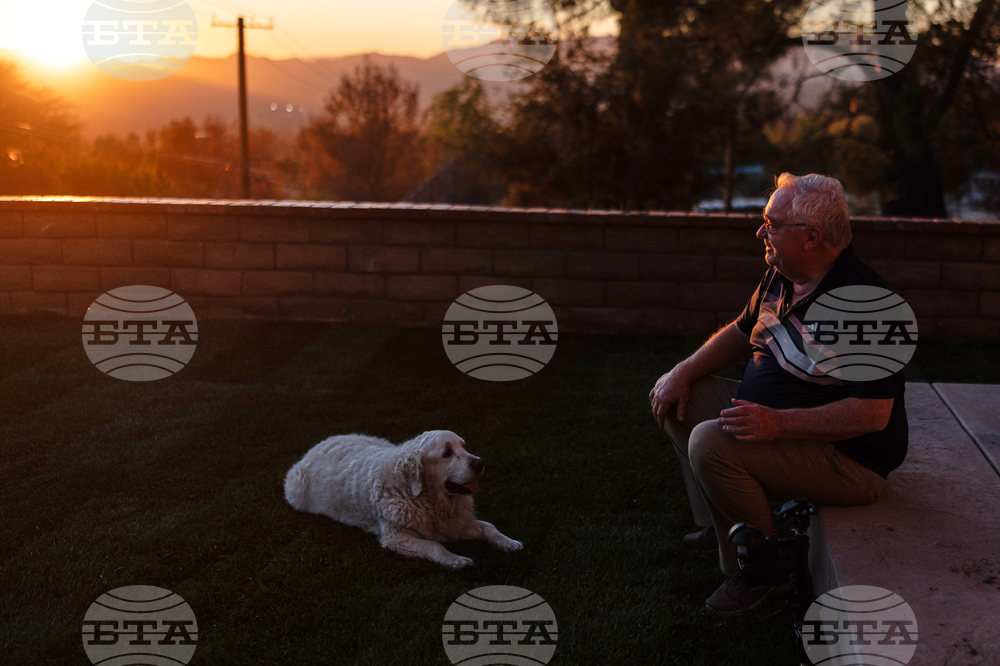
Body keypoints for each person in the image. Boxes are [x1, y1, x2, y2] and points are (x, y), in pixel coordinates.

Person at [649, 173, 908, 613]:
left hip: (848, 460)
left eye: (771, 222)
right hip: (782, 422)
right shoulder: (783, 275)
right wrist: (684, 370)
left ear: (811, 237)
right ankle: (727, 525)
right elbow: (741, 331)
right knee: (681, 401)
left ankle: (761, 573)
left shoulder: (866, 304)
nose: (760, 231)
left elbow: (872, 414)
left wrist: (777, 423)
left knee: (711, 442)